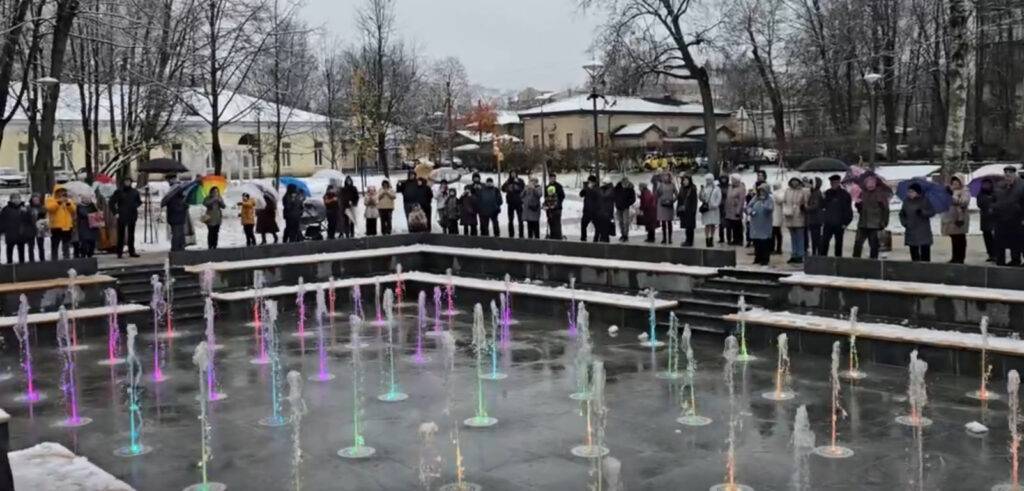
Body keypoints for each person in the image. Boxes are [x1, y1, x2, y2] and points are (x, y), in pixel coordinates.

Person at [993, 166, 1024, 266]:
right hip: (1001, 218)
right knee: (1000, 241)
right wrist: (993, 207)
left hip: (1016, 218)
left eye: (1010, 173)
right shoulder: (999, 186)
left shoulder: (1021, 185)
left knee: (1017, 241)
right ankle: (1001, 260)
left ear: (1015, 174)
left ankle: (1016, 260)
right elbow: (994, 199)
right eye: (1006, 174)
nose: (1008, 176)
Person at [852, 176, 890, 259]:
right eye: (868, 183)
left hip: (875, 224)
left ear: (875, 184)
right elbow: (860, 210)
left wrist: (884, 222)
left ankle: (873, 262)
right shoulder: (862, 193)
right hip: (863, 223)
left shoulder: (880, 194)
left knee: (874, 245)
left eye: (872, 183)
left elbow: (886, 210)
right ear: (865, 184)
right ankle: (855, 261)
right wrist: (858, 205)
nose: (870, 185)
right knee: (858, 243)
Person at [899, 182, 936, 262]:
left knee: (925, 253)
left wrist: (922, 212)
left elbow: (932, 212)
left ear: (917, 192)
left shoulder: (925, 200)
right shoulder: (906, 201)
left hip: (923, 230)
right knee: (914, 252)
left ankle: (926, 267)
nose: (909, 193)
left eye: (912, 191)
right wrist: (905, 223)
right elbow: (902, 214)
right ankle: (915, 267)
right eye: (909, 191)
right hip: (911, 229)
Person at [109, 177, 142, 258]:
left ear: (131, 182)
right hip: (122, 215)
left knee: (131, 234)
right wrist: (115, 212)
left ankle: (132, 251)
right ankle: (119, 252)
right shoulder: (119, 191)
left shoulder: (134, 192)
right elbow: (111, 202)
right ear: (123, 182)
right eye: (126, 181)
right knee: (121, 234)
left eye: (129, 181)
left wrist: (135, 205)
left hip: (132, 214)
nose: (127, 183)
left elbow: (139, 201)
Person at [820, 175, 853, 256]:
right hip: (828, 223)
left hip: (839, 223)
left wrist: (846, 223)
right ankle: (823, 259)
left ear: (839, 183)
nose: (833, 184)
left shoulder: (845, 194)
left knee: (838, 244)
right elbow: (822, 207)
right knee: (824, 243)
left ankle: (838, 260)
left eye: (835, 182)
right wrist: (822, 199)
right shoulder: (827, 193)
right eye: (832, 183)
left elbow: (848, 210)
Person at [941, 175, 970, 264]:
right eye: (953, 182)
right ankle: (954, 257)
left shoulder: (965, 191)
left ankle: (960, 258)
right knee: (954, 238)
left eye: (957, 181)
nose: (955, 183)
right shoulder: (950, 191)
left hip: (960, 218)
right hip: (950, 219)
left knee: (960, 238)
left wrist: (952, 196)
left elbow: (963, 202)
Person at [746, 183, 775, 266]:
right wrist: (751, 212)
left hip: (765, 224)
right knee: (757, 242)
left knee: (764, 243)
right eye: (760, 191)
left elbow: (770, 209)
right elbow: (748, 206)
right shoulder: (755, 198)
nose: (762, 192)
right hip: (755, 224)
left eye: (763, 191)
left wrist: (763, 203)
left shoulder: (769, 199)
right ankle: (757, 258)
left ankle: (765, 259)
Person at [782, 177, 809, 264]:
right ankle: (794, 254)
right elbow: (784, 201)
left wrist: (801, 207)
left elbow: (806, 202)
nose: (794, 183)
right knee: (793, 237)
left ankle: (800, 255)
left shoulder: (803, 191)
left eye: (796, 181)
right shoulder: (788, 191)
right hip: (789, 215)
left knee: (800, 237)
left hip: (799, 215)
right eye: (792, 181)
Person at [46, 188, 76, 259]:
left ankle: (66, 258)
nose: (62, 193)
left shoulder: (68, 200)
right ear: (56, 192)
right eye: (60, 191)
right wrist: (59, 202)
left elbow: (73, 210)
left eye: (63, 191)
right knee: (55, 244)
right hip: (56, 226)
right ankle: (54, 259)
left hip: (67, 226)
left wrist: (68, 203)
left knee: (66, 244)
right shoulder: (50, 199)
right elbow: (51, 209)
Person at [0, 194, 31, 263]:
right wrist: (1, 230)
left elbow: (29, 220)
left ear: (20, 199)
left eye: (18, 198)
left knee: (21, 251)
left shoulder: (24, 208)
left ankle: (22, 264)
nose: (16, 200)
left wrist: (27, 212)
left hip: (21, 233)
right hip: (10, 234)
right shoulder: (6, 209)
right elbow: (2, 221)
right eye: (14, 198)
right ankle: (9, 263)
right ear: (11, 200)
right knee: (9, 250)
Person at [977, 178, 997, 262]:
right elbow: (979, 204)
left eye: (988, 184)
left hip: (994, 218)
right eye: (984, 184)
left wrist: (991, 204)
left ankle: (996, 254)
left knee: (994, 237)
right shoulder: (980, 194)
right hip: (985, 218)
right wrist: (988, 200)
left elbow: (998, 203)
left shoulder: (995, 193)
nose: (986, 186)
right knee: (987, 237)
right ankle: (990, 254)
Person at [164, 182, 188, 252]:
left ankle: (180, 247)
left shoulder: (181, 198)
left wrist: (185, 206)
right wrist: (184, 207)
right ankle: (175, 249)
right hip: (175, 219)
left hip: (180, 219)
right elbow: (175, 209)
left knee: (180, 235)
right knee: (176, 235)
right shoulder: (172, 198)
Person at [699, 174, 722, 247]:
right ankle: (707, 238)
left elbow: (719, 197)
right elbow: (701, 198)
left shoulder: (717, 188)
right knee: (707, 224)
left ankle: (711, 238)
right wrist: (701, 193)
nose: (708, 181)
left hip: (714, 209)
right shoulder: (704, 188)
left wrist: (716, 204)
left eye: (709, 179)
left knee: (712, 224)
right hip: (706, 209)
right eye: (707, 180)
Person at [501, 171, 526, 238]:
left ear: (516, 174)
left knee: (520, 220)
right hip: (510, 203)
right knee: (510, 220)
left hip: (519, 203)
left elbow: (523, 188)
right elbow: (502, 189)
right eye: (512, 173)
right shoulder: (508, 181)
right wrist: (507, 186)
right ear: (510, 174)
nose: (513, 174)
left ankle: (521, 234)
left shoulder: (520, 180)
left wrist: (517, 183)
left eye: (514, 173)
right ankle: (511, 234)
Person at [724, 174, 746, 245]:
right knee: (731, 225)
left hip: (736, 210)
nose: (731, 180)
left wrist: (738, 211)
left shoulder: (741, 188)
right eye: (731, 179)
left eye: (733, 179)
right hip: (729, 209)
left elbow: (741, 200)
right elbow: (727, 197)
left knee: (737, 226)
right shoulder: (730, 187)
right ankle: (733, 239)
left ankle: (739, 240)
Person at [655, 172, 677, 244]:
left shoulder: (672, 185)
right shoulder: (661, 185)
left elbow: (677, 195)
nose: (665, 178)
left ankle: (670, 238)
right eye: (664, 176)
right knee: (663, 222)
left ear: (669, 177)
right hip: (662, 205)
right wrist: (658, 189)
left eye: (667, 176)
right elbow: (657, 194)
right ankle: (664, 238)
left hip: (669, 205)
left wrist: (672, 201)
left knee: (669, 222)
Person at [805, 177, 825, 255]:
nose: (809, 185)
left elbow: (815, 206)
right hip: (815, 219)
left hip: (815, 219)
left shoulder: (816, 193)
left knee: (815, 237)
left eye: (811, 183)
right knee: (815, 237)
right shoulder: (815, 192)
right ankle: (815, 252)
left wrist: (806, 208)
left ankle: (816, 253)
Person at [676, 175, 697, 247]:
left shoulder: (692, 188)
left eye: (686, 180)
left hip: (690, 210)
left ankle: (690, 241)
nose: (685, 181)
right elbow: (680, 199)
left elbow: (694, 201)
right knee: (686, 226)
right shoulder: (682, 188)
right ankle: (687, 240)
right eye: (684, 180)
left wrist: (693, 210)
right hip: (683, 210)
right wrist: (678, 210)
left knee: (690, 227)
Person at [613, 176, 636, 242]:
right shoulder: (617, 188)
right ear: (622, 182)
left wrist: (628, 203)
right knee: (620, 221)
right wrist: (616, 202)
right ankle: (622, 234)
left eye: (626, 183)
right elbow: (614, 195)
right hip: (618, 207)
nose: (625, 184)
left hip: (626, 207)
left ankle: (626, 235)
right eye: (624, 182)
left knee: (626, 221)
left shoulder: (630, 189)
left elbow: (633, 199)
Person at [579, 175, 601, 241]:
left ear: (594, 182)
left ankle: (596, 238)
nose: (589, 183)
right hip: (586, 210)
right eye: (589, 182)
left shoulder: (597, 189)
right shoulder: (586, 188)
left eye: (591, 182)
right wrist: (586, 188)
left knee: (597, 226)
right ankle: (583, 237)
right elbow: (581, 194)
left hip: (595, 211)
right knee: (583, 224)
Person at [595, 177, 615, 243]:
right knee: (602, 224)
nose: (602, 184)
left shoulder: (611, 190)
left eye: (604, 183)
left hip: (608, 210)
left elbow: (605, 196)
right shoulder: (602, 189)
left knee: (607, 224)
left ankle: (605, 238)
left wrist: (600, 190)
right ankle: (603, 237)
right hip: (602, 210)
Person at [547, 173, 566, 239]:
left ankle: (558, 236)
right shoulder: (548, 186)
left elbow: (562, 196)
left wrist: (557, 203)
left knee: (557, 223)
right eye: (551, 178)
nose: (552, 179)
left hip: (557, 208)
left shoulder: (558, 186)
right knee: (550, 222)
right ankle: (552, 235)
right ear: (549, 178)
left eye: (554, 178)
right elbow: (546, 196)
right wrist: (546, 204)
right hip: (549, 208)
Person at [27, 193, 45, 261]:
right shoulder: (28, 207)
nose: (36, 200)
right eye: (34, 198)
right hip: (30, 229)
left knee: (41, 246)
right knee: (31, 246)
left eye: (37, 199)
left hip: (40, 228)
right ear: (32, 199)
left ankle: (42, 259)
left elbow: (45, 218)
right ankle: (31, 260)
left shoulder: (42, 207)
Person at [771, 183, 784, 254]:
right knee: (776, 233)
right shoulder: (777, 193)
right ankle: (777, 248)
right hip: (776, 215)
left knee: (775, 233)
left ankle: (777, 248)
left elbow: (780, 200)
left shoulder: (778, 193)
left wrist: (775, 195)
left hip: (776, 215)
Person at [717, 176, 729, 244]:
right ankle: (721, 238)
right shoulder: (718, 186)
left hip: (727, 206)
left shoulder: (729, 186)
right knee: (721, 223)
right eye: (722, 178)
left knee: (728, 223)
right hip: (720, 206)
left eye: (724, 178)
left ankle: (728, 238)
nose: (723, 180)